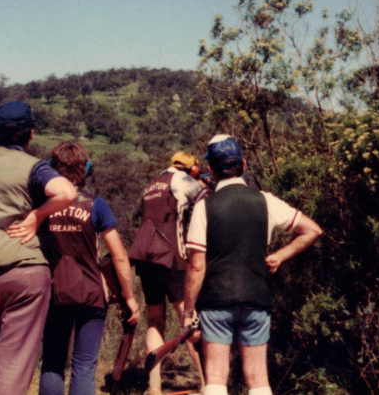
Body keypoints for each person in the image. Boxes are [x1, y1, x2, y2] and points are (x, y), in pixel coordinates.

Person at [183, 135, 323, 395]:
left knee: (215, 377)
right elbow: (312, 230)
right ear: (244, 164)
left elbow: (197, 267)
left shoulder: (203, 208)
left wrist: (188, 313)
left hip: (216, 301)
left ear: (211, 170)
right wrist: (280, 255)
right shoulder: (265, 200)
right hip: (257, 297)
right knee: (258, 379)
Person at [0, 101, 78, 395]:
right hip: (24, 272)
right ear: (30, 134)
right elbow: (67, 192)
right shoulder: (33, 167)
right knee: (14, 361)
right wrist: (37, 216)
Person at [38, 141, 140, 395]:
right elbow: (119, 256)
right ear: (85, 170)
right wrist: (129, 297)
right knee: (84, 366)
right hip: (91, 294)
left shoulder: (41, 207)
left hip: (54, 294)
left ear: (51, 167)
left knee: (52, 363)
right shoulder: (96, 205)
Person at [128, 151, 208, 395]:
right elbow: (205, 201)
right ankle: (208, 385)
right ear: (191, 168)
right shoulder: (182, 179)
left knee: (155, 321)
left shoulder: (153, 183)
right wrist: (203, 184)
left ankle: (154, 386)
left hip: (146, 258)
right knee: (189, 320)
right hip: (172, 257)